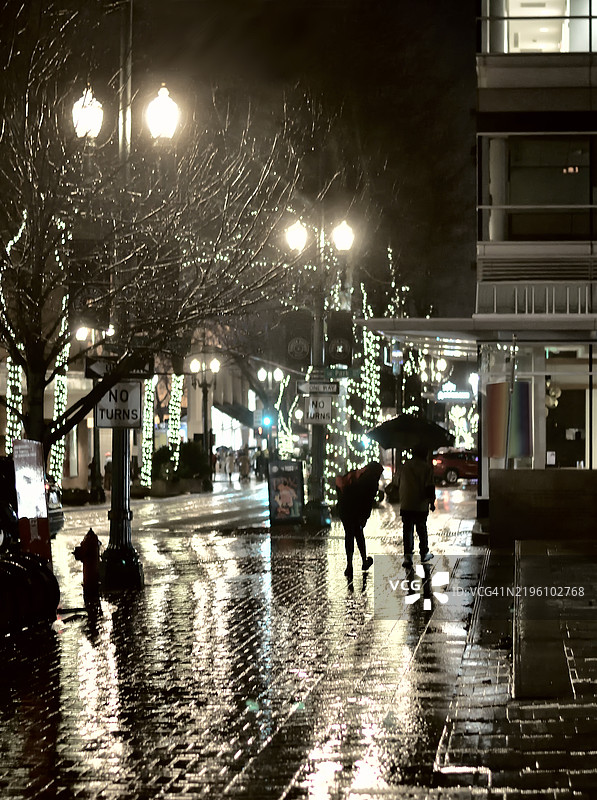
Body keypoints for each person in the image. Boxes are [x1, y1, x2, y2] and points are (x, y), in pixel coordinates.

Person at [335, 461, 383, 579]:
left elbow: (340, 484)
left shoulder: (356, 473)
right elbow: (367, 502)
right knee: (358, 534)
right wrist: (364, 517)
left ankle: (349, 565)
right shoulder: (371, 481)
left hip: (344, 507)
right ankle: (364, 560)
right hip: (356, 509)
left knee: (349, 534)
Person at [396, 443, 436, 568]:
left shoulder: (404, 466)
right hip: (420, 504)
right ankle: (424, 552)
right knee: (421, 529)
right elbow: (429, 487)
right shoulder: (426, 468)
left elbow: (396, 482)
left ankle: (408, 557)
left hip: (406, 503)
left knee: (407, 530)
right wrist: (431, 502)